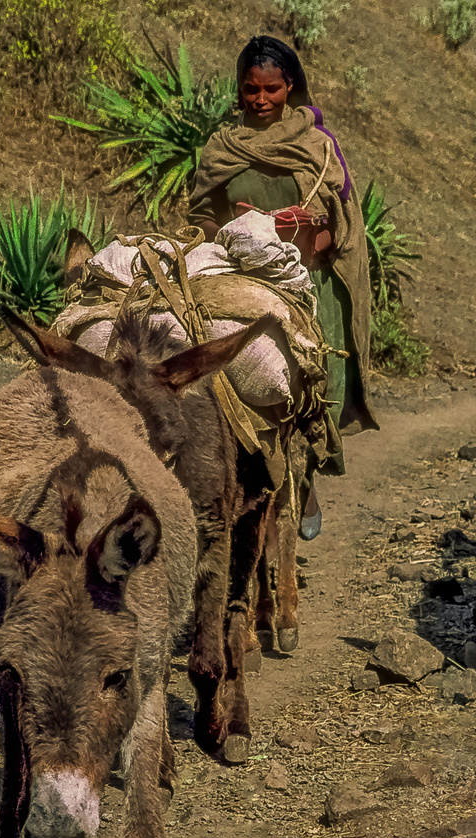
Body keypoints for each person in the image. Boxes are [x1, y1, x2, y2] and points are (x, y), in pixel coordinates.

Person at [188, 35, 377, 540]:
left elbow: (344, 222)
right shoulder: (221, 147)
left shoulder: (318, 145)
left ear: (290, 86)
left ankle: (304, 476)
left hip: (309, 284)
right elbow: (201, 217)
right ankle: (256, 490)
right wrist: (240, 226)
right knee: (250, 390)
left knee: (313, 392)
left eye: (272, 88)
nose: (261, 100)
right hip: (243, 283)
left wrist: (311, 226)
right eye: (251, 89)